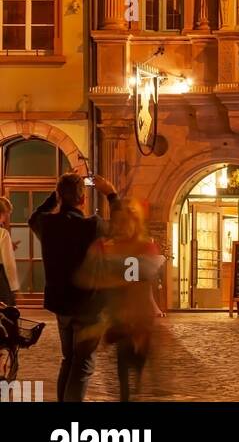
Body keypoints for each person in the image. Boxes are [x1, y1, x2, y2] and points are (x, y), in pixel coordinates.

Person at [28, 170, 118, 402]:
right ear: (83, 199)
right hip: (88, 304)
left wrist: (56, 195)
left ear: (60, 196)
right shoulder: (92, 226)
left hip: (61, 304)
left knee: (69, 359)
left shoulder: (47, 224)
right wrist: (111, 194)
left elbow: (34, 217)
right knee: (82, 364)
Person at [76, 199, 164, 401]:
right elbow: (85, 277)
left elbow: (139, 276)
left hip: (139, 319)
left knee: (137, 365)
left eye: (125, 221)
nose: (119, 227)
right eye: (116, 222)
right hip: (118, 319)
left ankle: (137, 387)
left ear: (135, 222)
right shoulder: (106, 248)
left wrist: (111, 275)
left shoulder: (144, 247)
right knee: (122, 371)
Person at [0, 195, 19, 306]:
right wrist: (14, 286)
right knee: (7, 314)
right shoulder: (3, 233)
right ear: (4, 213)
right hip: (1, 278)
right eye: (8, 213)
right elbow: (8, 263)